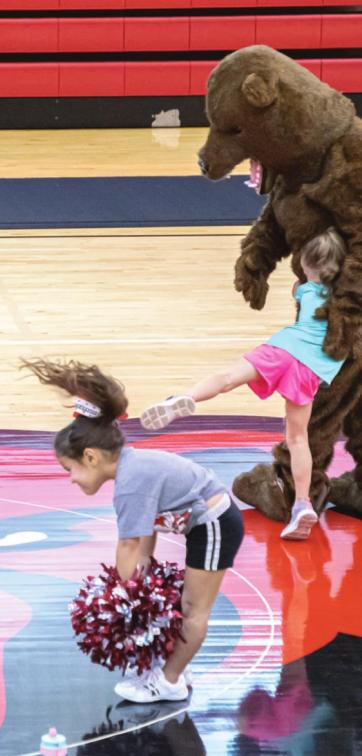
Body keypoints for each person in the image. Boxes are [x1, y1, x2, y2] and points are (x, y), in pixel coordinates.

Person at [22, 358, 244, 704]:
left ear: (91, 457)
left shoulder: (130, 483)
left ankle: (169, 681)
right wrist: (138, 593)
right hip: (204, 526)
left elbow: (129, 546)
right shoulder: (131, 468)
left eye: (71, 469)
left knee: (194, 608)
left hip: (215, 525)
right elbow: (143, 547)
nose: (71, 478)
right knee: (182, 605)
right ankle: (171, 666)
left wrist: (124, 605)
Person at [141, 228, 347, 542]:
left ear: (307, 267)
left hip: (283, 351)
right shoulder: (346, 301)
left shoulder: (303, 290)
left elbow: (300, 285)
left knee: (226, 379)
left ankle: (183, 398)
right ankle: (303, 504)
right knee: (297, 438)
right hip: (310, 368)